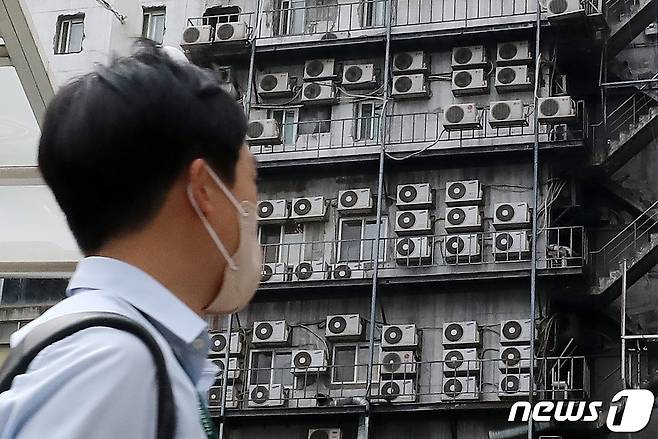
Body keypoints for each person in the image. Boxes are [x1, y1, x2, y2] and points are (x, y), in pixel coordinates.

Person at [0, 40, 261, 438]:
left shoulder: (116, 349)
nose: (254, 205)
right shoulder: (116, 364)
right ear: (205, 189)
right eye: (251, 179)